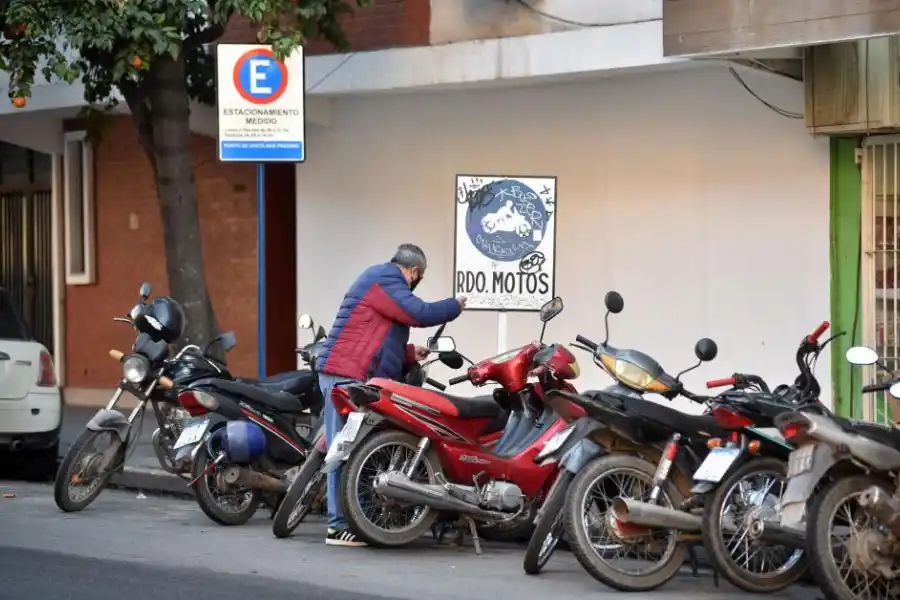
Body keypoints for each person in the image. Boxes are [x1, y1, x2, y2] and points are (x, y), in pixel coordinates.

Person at [315, 243, 466, 546]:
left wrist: (411, 353)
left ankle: (353, 521)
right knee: (342, 450)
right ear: (414, 272)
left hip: (352, 375)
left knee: (352, 450)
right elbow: (419, 313)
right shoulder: (385, 279)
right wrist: (455, 305)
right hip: (344, 375)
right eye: (417, 278)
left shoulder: (381, 282)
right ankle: (336, 525)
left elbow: (382, 338)